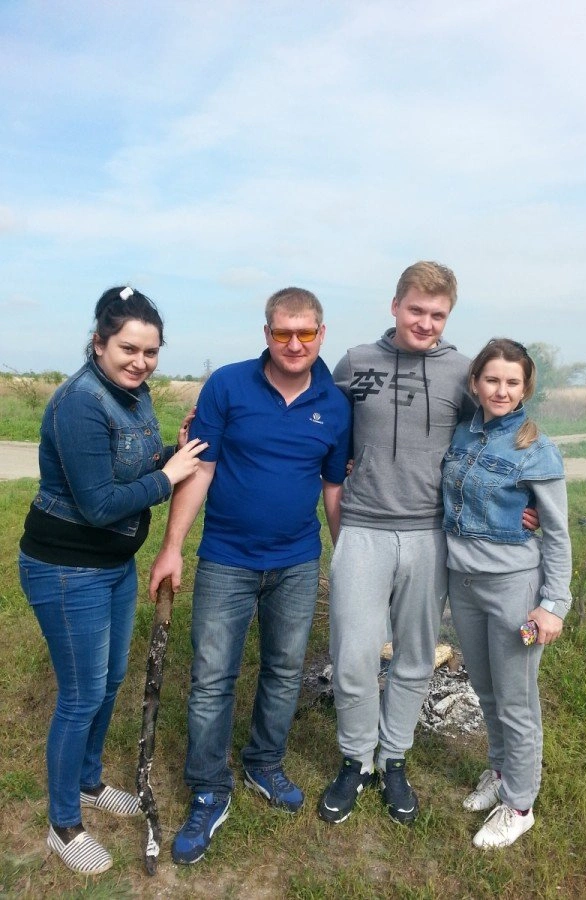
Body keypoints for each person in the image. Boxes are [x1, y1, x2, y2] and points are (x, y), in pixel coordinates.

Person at [319, 263, 539, 827]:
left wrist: (523, 501)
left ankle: (393, 757)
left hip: (430, 534)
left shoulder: (463, 373)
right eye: (416, 309)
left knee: (415, 656)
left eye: (437, 315)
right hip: (364, 528)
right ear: (395, 305)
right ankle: (356, 758)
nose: (425, 322)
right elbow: (316, 421)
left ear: (448, 317)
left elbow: (498, 435)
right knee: (353, 654)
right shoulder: (355, 363)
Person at [149, 287, 351, 866]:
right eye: (283, 332)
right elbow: (201, 468)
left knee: (285, 671)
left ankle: (264, 762)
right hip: (226, 558)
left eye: (305, 333)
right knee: (212, 677)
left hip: (296, 562)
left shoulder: (336, 405)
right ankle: (209, 788)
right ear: (267, 334)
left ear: (321, 334)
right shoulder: (227, 385)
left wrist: (346, 559)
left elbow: (333, 488)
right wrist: (172, 548)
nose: (294, 343)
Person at [18, 286, 207, 875]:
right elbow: (99, 503)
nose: (140, 361)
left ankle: (89, 781)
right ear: (99, 342)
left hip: (112, 567)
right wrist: (170, 476)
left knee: (110, 680)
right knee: (80, 696)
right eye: (128, 348)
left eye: (151, 352)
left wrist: (170, 454)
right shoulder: (80, 402)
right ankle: (62, 824)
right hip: (65, 568)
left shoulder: (135, 395)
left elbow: (128, 466)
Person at [442, 338, 572, 849]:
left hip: (514, 588)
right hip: (464, 583)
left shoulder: (536, 449)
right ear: (475, 383)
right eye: (492, 380)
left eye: (512, 383)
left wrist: (553, 604)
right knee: (487, 689)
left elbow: (556, 533)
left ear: (525, 389)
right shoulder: (461, 433)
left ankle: (519, 805)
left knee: (517, 701)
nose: (501, 390)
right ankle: (499, 772)